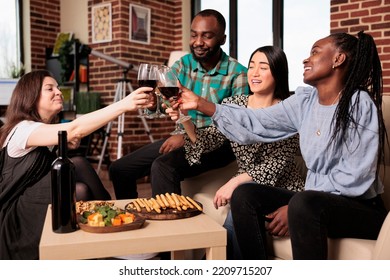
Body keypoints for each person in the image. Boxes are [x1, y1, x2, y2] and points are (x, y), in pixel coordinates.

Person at [176, 31, 388, 260]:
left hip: (359, 207)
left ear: (338, 59)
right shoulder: (305, 101)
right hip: (312, 201)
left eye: (315, 52)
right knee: (245, 194)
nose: (306, 59)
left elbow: (355, 175)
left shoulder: (359, 103)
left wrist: (295, 208)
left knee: (304, 203)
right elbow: (257, 122)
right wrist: (201, 104)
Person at [165, 46, 305, 259]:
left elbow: (279, 163)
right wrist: (185, 118)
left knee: (234, 215)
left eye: (263, 67)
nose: (254, 73)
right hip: (245, 192)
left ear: (277, 72)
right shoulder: (233, 104)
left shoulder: (288, 110)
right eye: (251, 66)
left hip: (282, 189)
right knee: (237, 211)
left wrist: (235, 182)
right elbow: (208, 141)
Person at [0, 70, 151, 260]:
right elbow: (74, 128)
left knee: (80, 185)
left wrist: (63, 145)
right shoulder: (23, 129)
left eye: (57, 87)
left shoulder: (42, 133)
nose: (59, 92)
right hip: (15, 219)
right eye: (50, 89)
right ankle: (115, 229)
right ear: (30, 96)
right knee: (77, 172)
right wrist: (123, 104)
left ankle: (107, 234)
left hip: (31, 204)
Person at [109, 9, 249, 199]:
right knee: (120, 169)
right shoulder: (184, 65)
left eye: (207, 36)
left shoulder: (238, 74)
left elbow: (235, 125)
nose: (198, 42)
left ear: (222, 39)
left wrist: (188, 136)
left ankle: (172, 226)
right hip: (183, 135)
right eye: (194, 35)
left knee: (163, 166)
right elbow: (164, 102)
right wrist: (152, 104)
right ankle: (131, 216)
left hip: (220, 146)